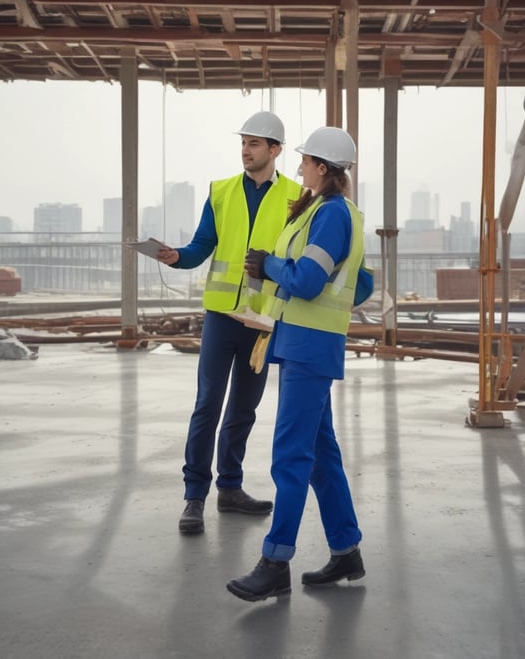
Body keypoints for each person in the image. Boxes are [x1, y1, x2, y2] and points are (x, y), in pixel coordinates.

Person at [226, 126, 373, 602]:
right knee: (321, 456)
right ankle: (346, 552)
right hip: (303, 343)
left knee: (291, 456)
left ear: (323, 169)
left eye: (306, 160)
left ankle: (275, 560)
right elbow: (361, 284)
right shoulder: (324, 212)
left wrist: (269, 265)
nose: (300, 166)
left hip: (310, 347)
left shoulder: (330, 215)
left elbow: (308, 282)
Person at [156, 111, 303, 535]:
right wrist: (177, 257)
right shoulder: (220, 192)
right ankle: (194, 497)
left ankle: (231, 489)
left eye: (255, 144)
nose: (245, 150)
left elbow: (295, 256)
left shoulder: (296, 196)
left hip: (261, 321)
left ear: (275, 150)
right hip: (222, 315)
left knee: (243, 409)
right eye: (243, 143)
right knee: (207, 405)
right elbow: (203, 245)